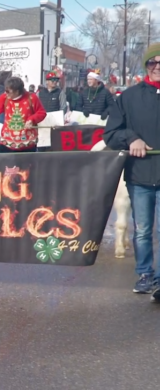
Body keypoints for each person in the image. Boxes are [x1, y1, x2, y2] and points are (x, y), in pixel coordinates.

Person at [104, 45, 160, 297]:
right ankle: (145, 274)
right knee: (144, 229)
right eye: (152, 62)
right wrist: (131, 138)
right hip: (140, 175)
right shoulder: (128, 97)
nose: (157, 66)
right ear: (146, 66)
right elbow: (111, 134)